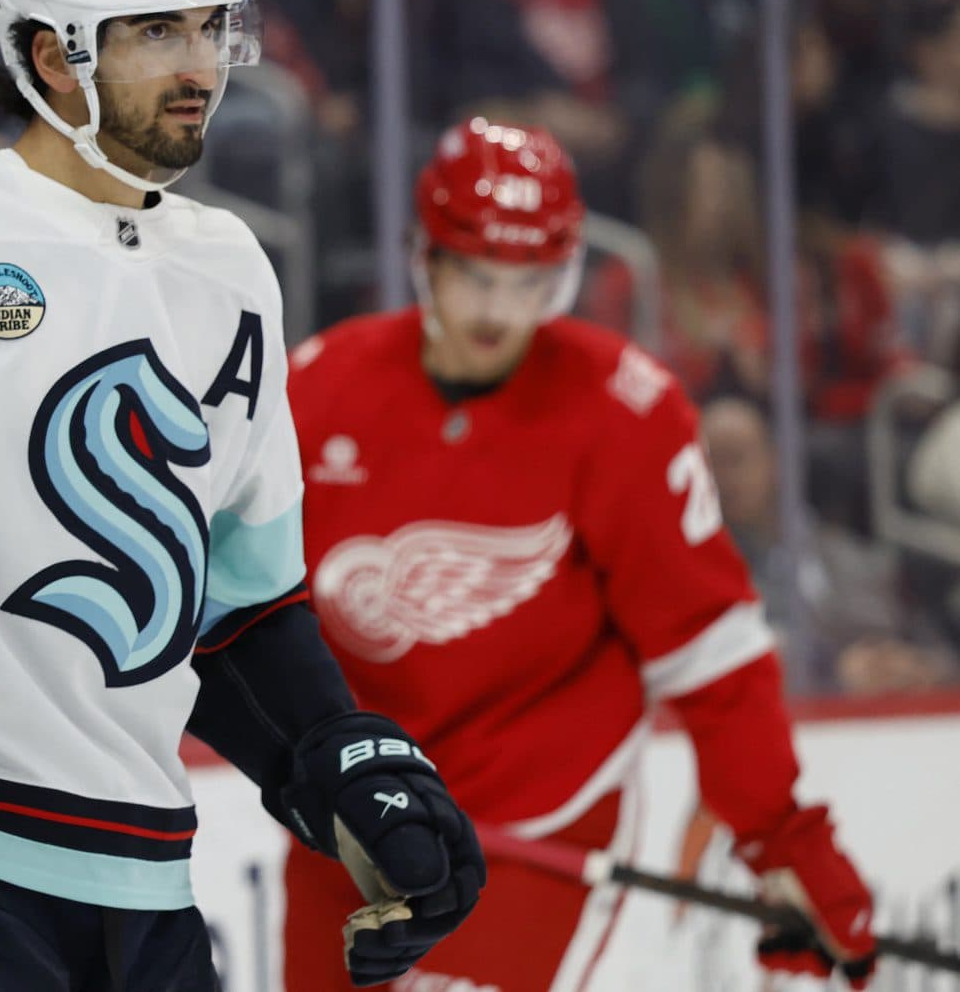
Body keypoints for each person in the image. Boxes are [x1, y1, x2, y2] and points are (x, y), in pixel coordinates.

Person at [0, 0, 481, 990]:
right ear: (52, 55)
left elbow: (238, 600)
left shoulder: (231, 266)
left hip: (147, 872)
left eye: (213, 26)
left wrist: (338, 758)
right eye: (158, 31)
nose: (203, 66)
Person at [282, 117, 879, 992]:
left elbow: (711, 656)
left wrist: (783, 841)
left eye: (528, 283)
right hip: (353, 821)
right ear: (424, 257)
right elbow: (249, 615)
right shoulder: (317, 388)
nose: (498, 313)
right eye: (476, 276)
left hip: (533, 821)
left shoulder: (622, 411)